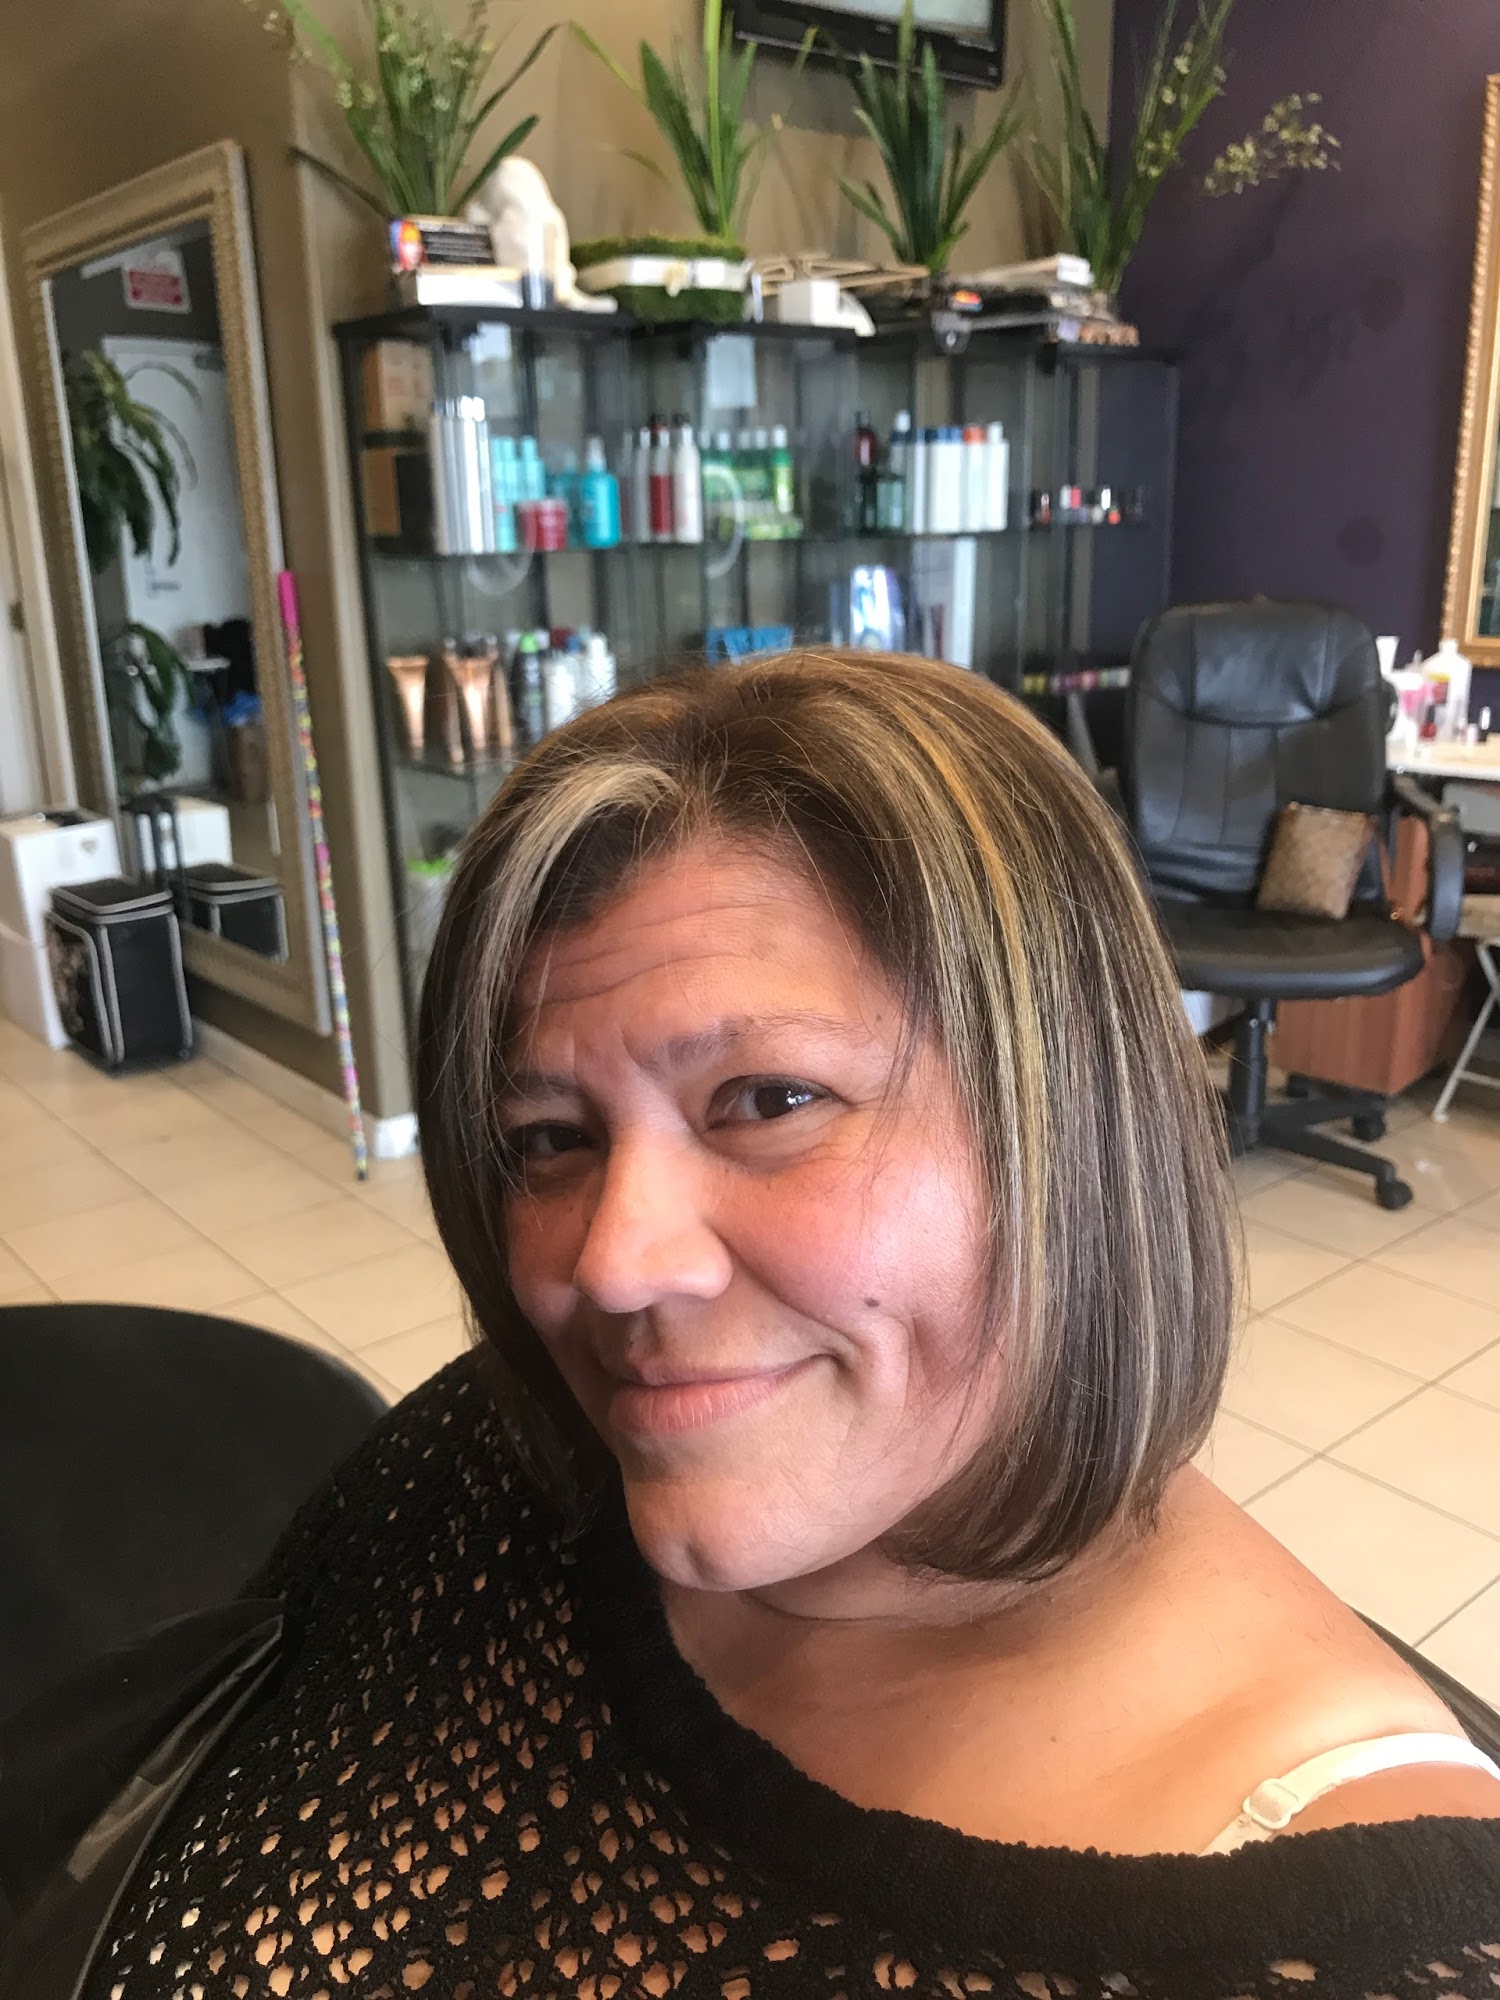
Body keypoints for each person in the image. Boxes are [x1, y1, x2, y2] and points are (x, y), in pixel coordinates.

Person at [85, 652, 1500, 1998]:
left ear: (1078, 1134)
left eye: (768, 1101)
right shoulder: (506, 1467)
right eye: (551, 1138)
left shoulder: (1356, 1950)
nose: (611, 1266)